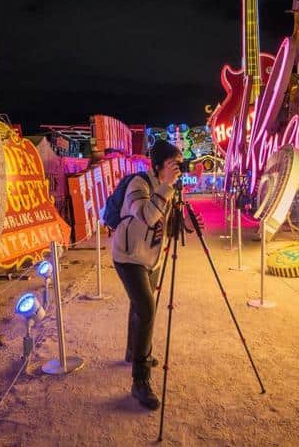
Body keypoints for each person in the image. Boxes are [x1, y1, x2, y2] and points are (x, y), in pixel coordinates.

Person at [111, 140, 188, 410]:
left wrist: (187, 221)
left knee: (139, 306)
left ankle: (134, 351)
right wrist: (166, 186)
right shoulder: (138, 185)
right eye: (171, 164)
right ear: (157, 166)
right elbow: (146, 216)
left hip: (150, 258)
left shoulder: (168, 187)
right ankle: (140, 380)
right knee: (146, 309)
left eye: (179, 164)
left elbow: (168, 223)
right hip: (127, 256)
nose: (176, 169)